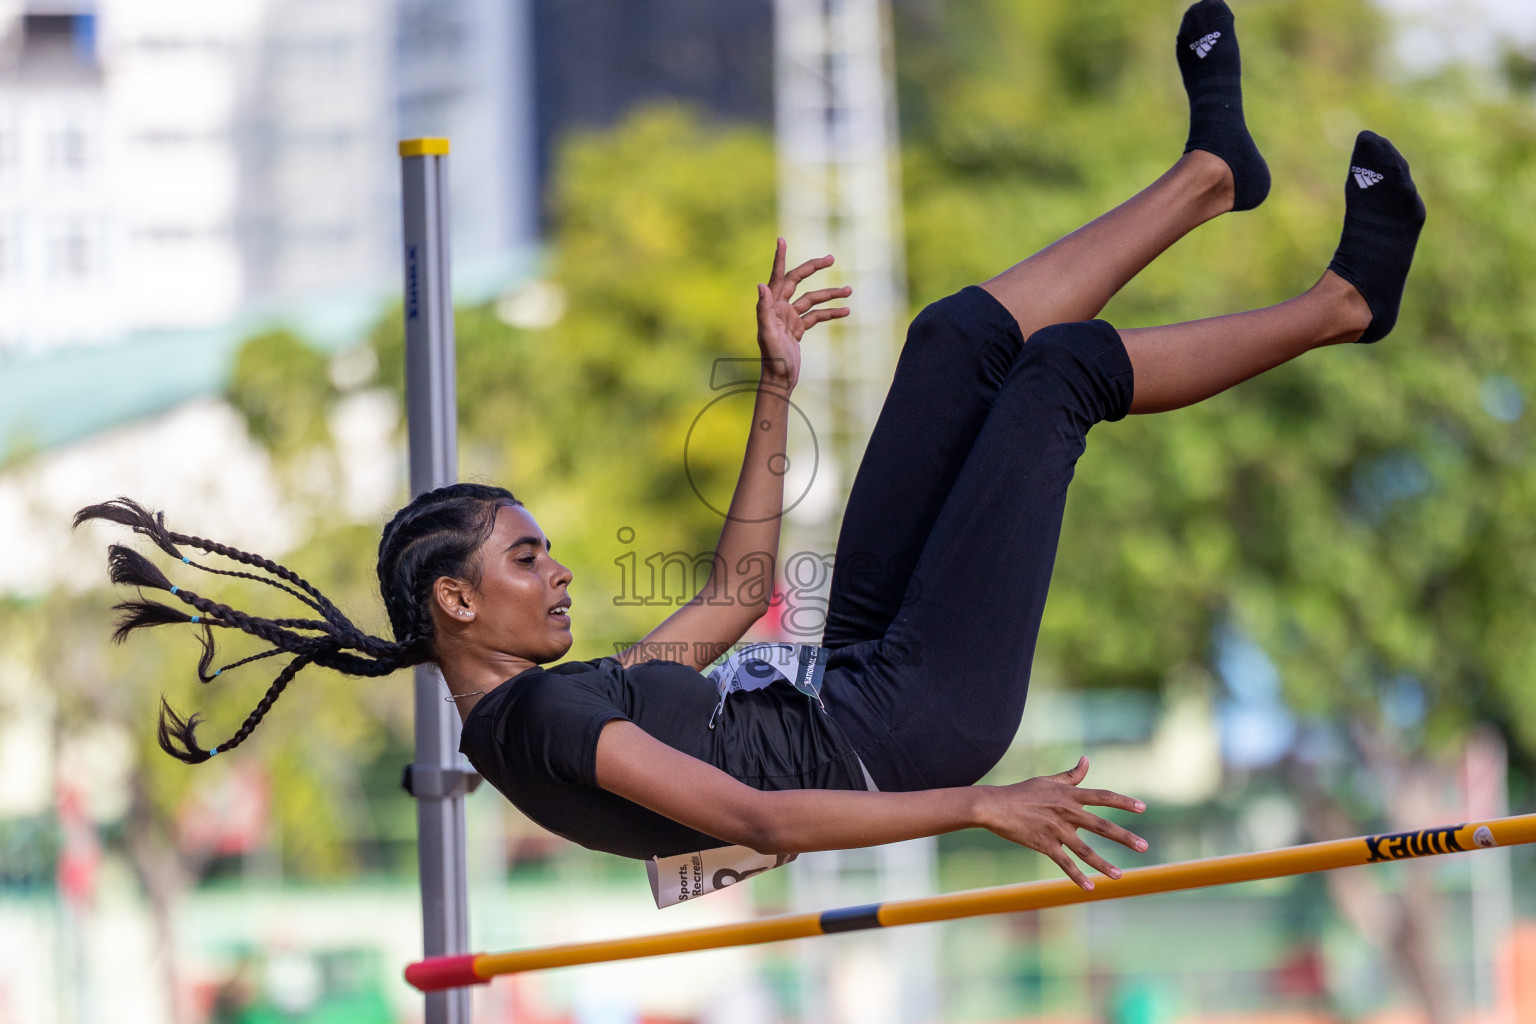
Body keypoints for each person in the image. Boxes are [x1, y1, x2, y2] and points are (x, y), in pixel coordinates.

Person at [79, 0, 1423, 894]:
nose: (557, 574)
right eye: (528, 556)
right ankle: (1343, 305)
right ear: (455, 601)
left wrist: (776, 386)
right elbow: (762, 823)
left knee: (955, 341)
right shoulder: (540, 720)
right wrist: (978, 807)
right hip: (904, 728)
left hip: (851, 674)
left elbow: (732, 602)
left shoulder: (565, 695)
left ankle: (1209, 176)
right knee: (1056, 378)